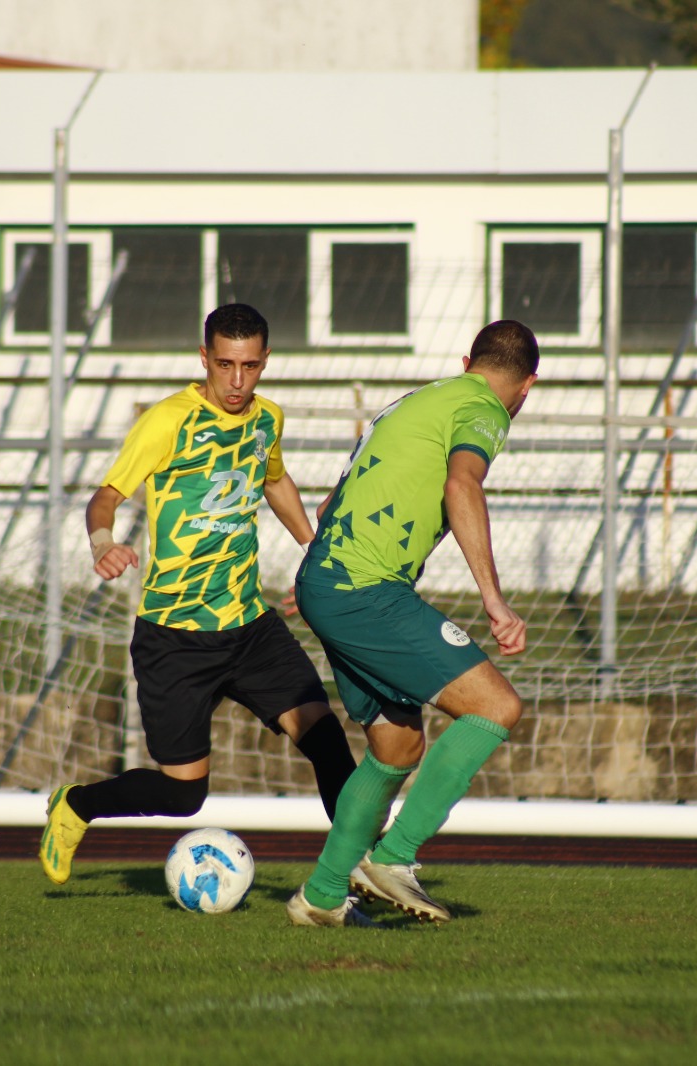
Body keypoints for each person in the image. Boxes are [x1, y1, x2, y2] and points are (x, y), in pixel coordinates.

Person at [38, 302, 356, 885]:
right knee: (185, 796)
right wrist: (103, 543)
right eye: (226, 364)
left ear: (265, 362)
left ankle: (362, 868)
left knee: (325, 737)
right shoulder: (168, 420)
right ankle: (76, 805)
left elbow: (273, 478)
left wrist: (313, 549)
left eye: (250, 366)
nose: (237, 381)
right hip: (174, 637)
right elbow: (105, 496)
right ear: (204, 358)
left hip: (250, 627)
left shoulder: (268, 419)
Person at [286, 319, 539, 927]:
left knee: (396, 747)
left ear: (466, 362)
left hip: (329, 579)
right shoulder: (486, 408)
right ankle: (393, 857)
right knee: (497, 706)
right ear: (528, 386)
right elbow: (462, 484)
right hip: (364, 588)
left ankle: (322, 897)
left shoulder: (421, 400)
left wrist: (322, 581)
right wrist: (495, 600)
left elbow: (330, 503)